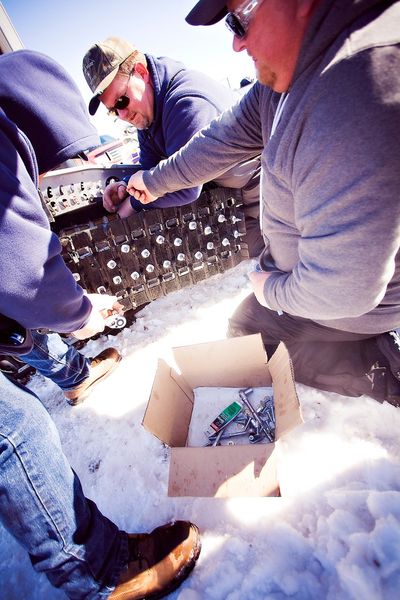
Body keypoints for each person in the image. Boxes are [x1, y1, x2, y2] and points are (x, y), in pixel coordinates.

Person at [125, 0, 400, 406]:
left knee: (249, 330)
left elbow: (346, 292)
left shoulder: (351, 92)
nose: (236, 43)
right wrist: (152, 182)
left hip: (360, 301)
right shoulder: (283, 77)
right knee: (249, 324)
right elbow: (217, 142)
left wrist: (273, 289)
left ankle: (375, 369)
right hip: (323, 280)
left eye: (240, 18)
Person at [0, 49, 201, 599]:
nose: (117, 114)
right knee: (14, 428)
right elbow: (21, 270)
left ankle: (74, 375)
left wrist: (133, 188)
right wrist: (84, 313)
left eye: (119, 100)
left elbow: (192, 179)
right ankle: (100, 572)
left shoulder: (182, 99)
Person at [82, 36, 264, 257]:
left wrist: (134, 204)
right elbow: (151, 170)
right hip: (235, 201)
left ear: (141, 71)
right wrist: (125, 185)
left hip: (264, 202)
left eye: (122, 101)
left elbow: (187, 187)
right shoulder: (147, 115)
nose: (122, 115)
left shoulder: (186, 102)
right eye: (113, 110)